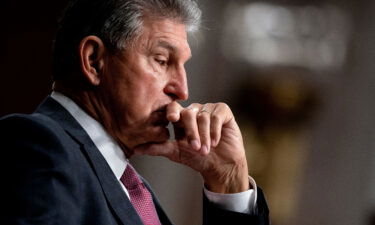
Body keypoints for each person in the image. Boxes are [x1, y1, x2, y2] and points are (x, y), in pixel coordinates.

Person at [0, 0, 269, 224]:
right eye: (162, 61)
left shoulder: (132, 188)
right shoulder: (38, 147)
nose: (182, 90)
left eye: (183, 66)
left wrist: (228, 181)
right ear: (94, 61)